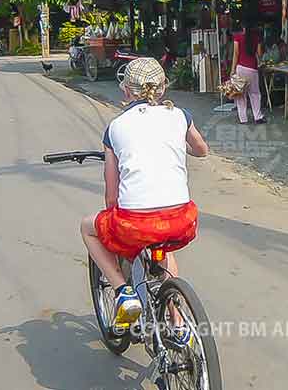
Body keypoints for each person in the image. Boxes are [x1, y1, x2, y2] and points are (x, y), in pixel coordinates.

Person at [78, 57, 209, 346]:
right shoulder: (180, 116)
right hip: (182, 220)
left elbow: (112, 196)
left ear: (126, 91)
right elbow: (202, 150)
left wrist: (114, 222)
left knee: (89, 227)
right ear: (163, 88)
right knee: (163, 244)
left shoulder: (115, 128)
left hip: (135, 223)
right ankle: (177, 323)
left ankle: (123, 291)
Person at [230, 17, 265, 124]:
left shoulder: (237, 37)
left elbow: (236, 54)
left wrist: (232, 70)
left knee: (240, 94)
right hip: (252, 69)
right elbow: (259, 54)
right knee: (255, 93)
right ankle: (257, 116)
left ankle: (243, 119)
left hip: (240, 68)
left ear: (243, 27)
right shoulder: (256, 38)